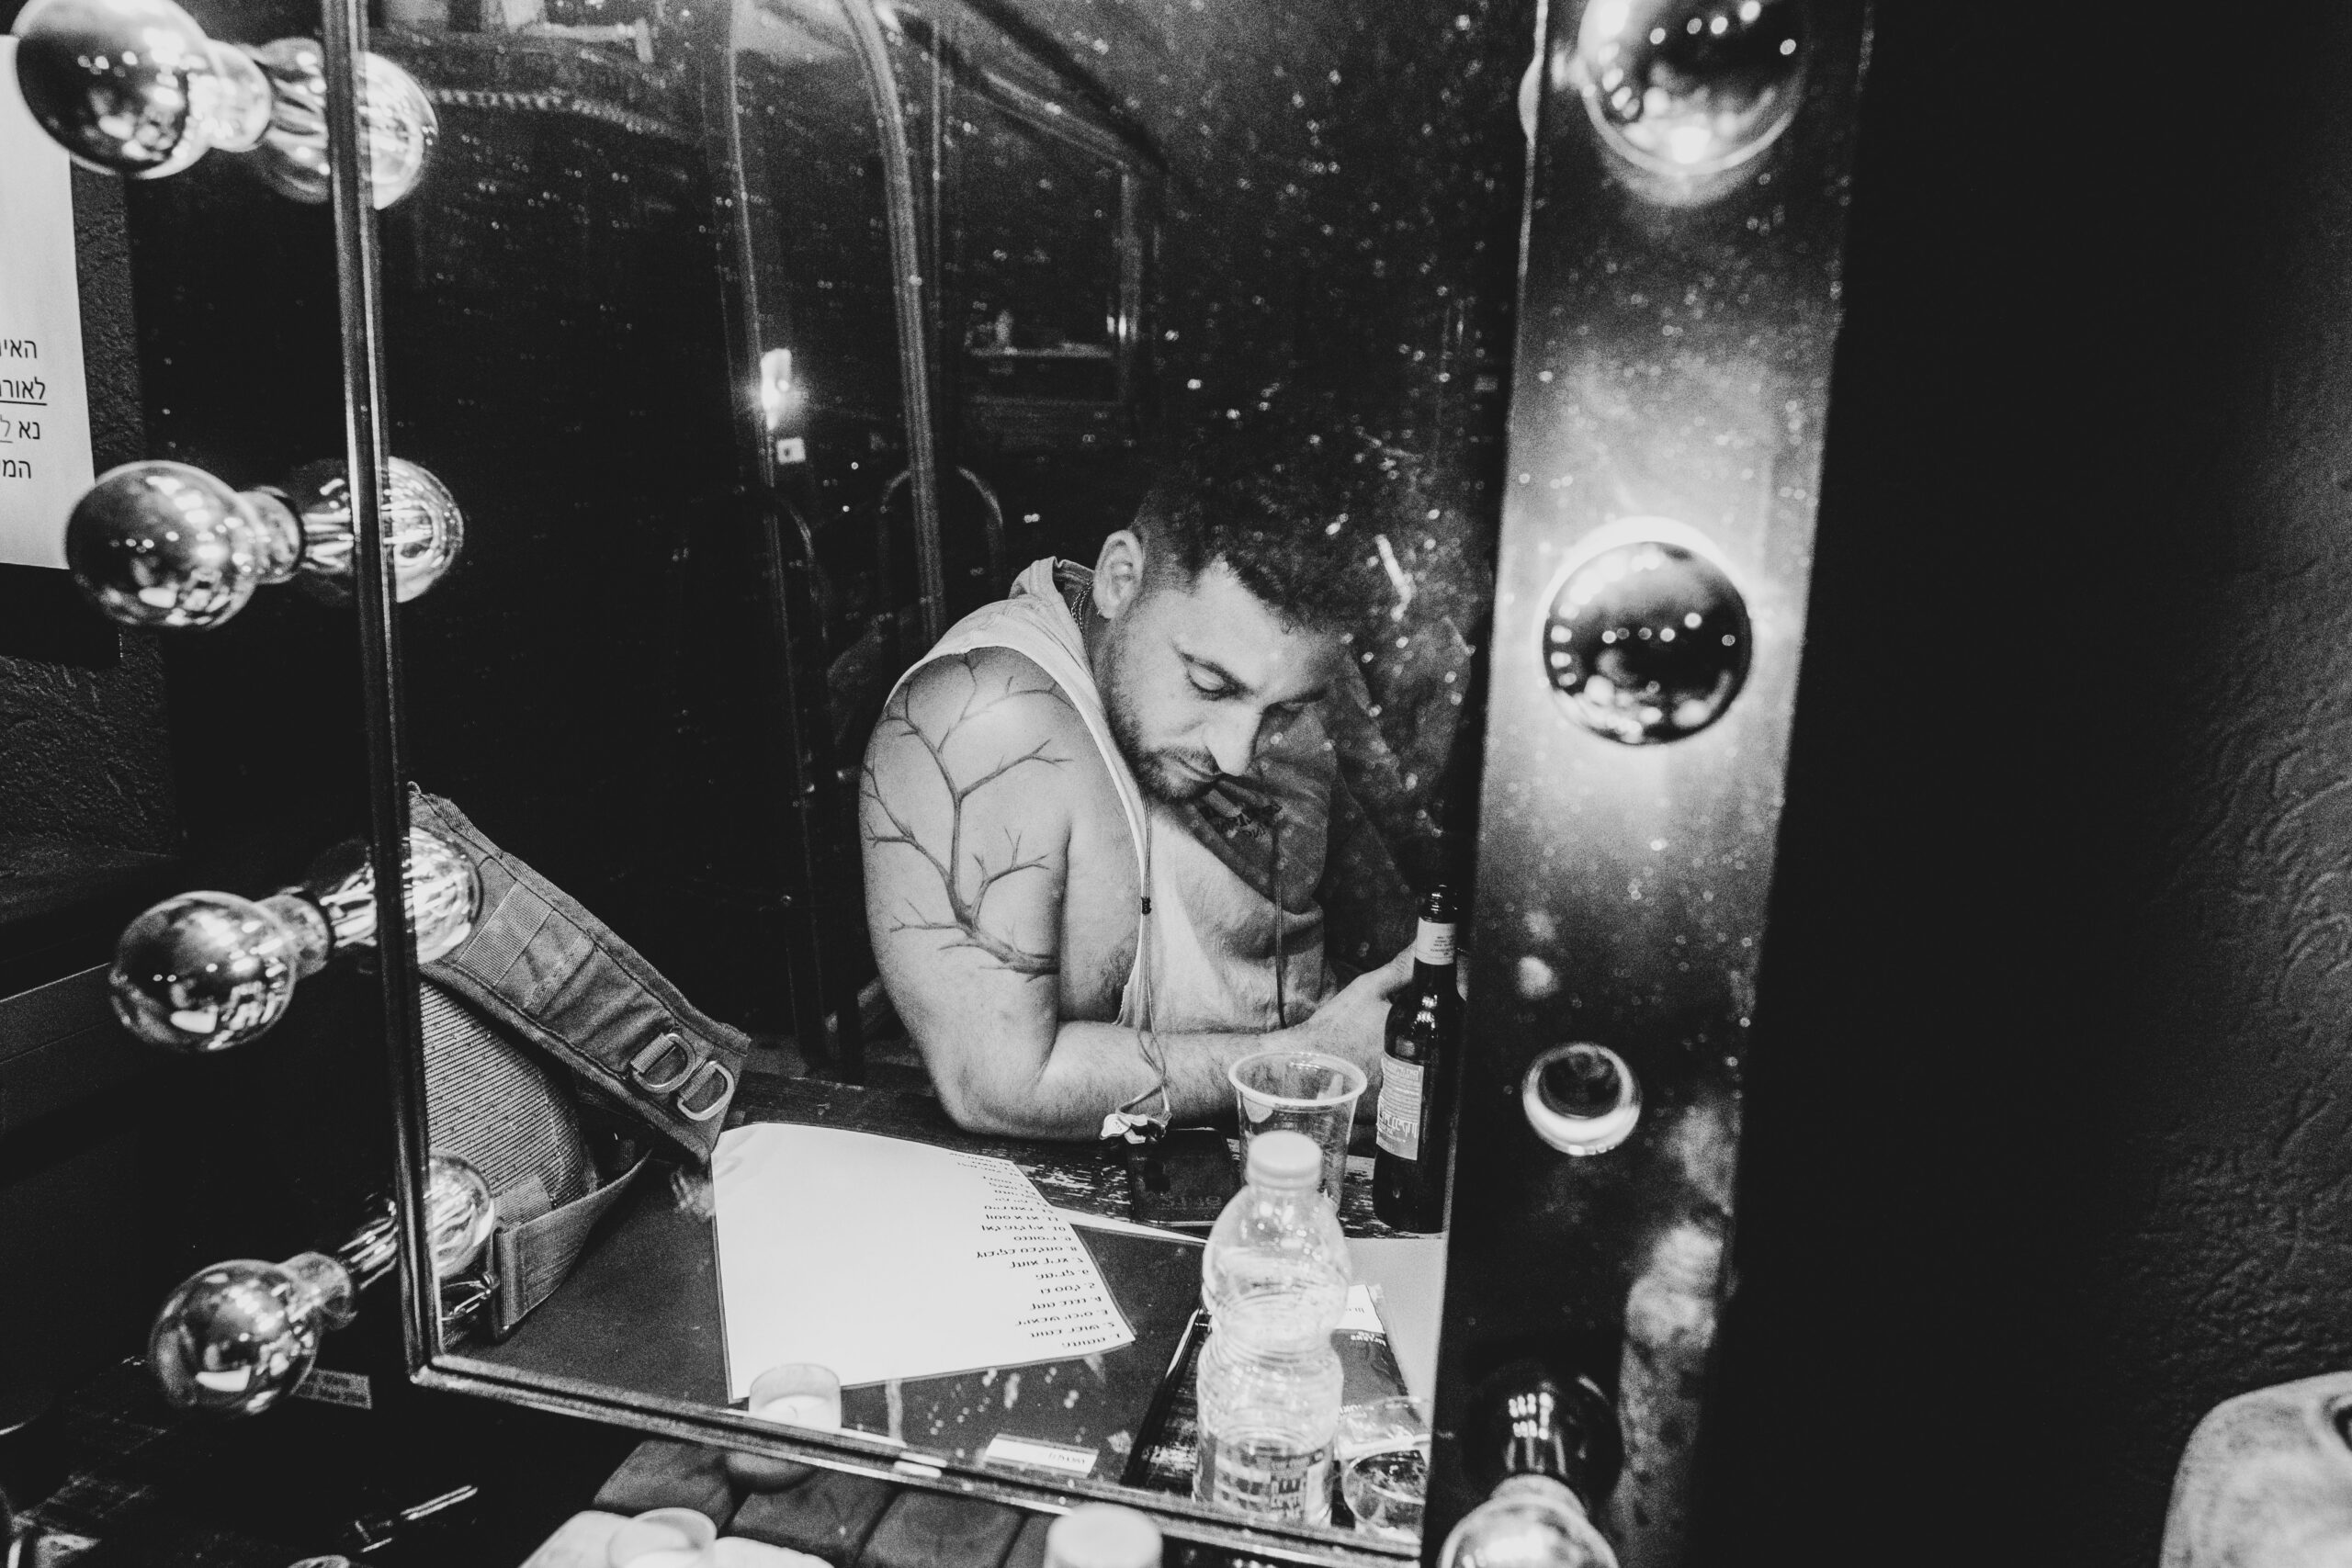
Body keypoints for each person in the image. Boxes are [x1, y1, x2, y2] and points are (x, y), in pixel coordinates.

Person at [859, 432, 1415, 1138]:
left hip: (1321, 1144)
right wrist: (1305, 1062)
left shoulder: (1288, 670)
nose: (1237, 753)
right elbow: (995, 1084)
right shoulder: (985, 719)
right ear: (1121, 579)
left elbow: (1389, 911)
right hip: (1152, 1170)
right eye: (1208, 683)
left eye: (1284, 710)